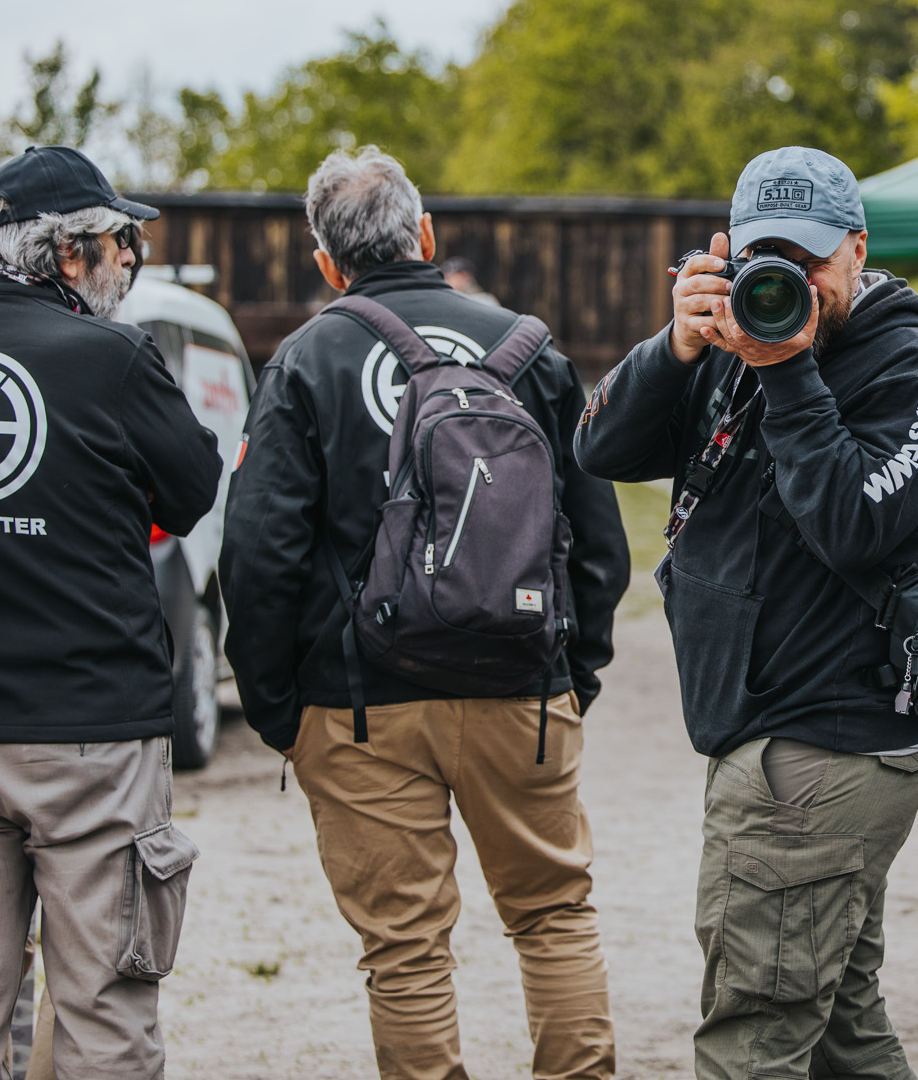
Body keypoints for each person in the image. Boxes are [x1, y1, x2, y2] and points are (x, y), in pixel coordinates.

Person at [220, 147, 630, 1080]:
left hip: (359, 706)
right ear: (428, 235)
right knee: (553, 915)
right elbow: (598, 534)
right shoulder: (531, 349)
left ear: (327, 264)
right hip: (521, 690)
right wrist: (574, 675)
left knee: (403, 950)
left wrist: (281, 706)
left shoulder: (306, 360)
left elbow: (258, 553)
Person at [573, 146, 918, 1080]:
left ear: (857, 249)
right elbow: (596, 446)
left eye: (810, 258)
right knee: (841, 1026)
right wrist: (674, 346)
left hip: (821, 748)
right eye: (766, 256)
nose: (788, 280)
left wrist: (789, 371)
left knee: (752, 1034)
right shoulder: (723, 346)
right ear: (730, 251)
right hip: (773, 738)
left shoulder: (909, 367)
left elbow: (854, 525)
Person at [0, 145, 222, 1078]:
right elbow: (191, 490)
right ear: (70, 255)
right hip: (90, 738)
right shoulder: (112, 356)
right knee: (104, 1008)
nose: (129, 258)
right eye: (119, 239)